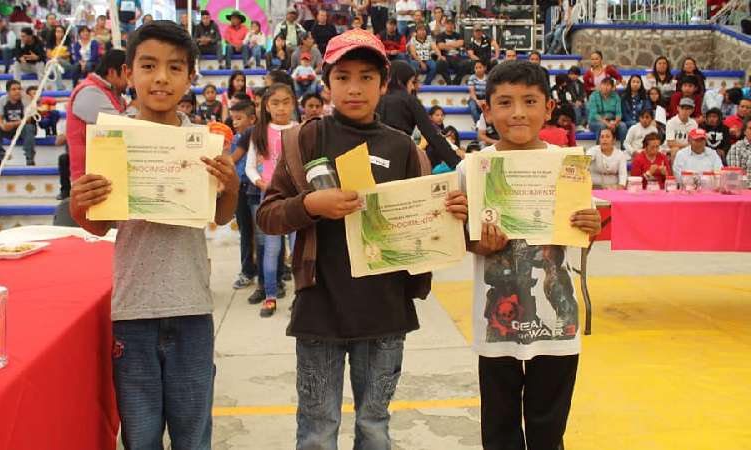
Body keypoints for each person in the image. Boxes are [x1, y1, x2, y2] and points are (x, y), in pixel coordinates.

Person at [257, 28, 467, 448]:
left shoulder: (405, 149)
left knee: (375, 427)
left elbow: (426, 232)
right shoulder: (304, 139)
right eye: (343, 77)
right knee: (317, 430)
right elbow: (267, 216)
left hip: (386, 313)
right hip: (320, 310)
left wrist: (449, 217)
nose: (354, 88)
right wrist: (311, 206)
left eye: (367, 77)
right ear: (326, 81)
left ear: (383, 84)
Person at [68, 20, 239, 450]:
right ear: (129, 73)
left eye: (174, 68)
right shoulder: (112, 140)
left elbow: (220, 215)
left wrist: (230, 185)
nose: (161, 77)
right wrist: (79, 202)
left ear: (189, 77)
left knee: (192, 434)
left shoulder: (200, 142)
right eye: (148, 65)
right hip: (134, 311)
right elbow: (97, 223)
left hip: (191, 307)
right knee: (141, 437)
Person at [455, 60, 601, 450]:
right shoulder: (471, 168)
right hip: (498, 321)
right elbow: (460, 239)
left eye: (530, 101)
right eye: (504, 102)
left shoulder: (570, 165)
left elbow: (586, 233)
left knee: (548, 428)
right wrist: (478, 243)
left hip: (557, 321)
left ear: (549, 108)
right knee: (499, 429)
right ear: (486, 110)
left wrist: (593, 224)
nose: (517, 112)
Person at [244, 83, 299, 316]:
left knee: (298, 249)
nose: (281, 108)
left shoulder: (300, 129)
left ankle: (301, 298)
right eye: (275, 103)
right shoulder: (259, 132)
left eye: (286, 102)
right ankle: (270, 296)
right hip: (271, 199)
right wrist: (262, 183)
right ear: (267, 106)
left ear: (293, 104)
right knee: (271, 249)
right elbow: (250, 167)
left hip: (297, 199)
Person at [377, 60, 461, 168]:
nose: (412, 87)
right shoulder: (409, 100)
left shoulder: (377, 98)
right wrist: (456, 162)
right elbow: (431, 134)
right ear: (401, 80)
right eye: (411, 82)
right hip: (398, 156)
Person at [66, 49, 129, 182]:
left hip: (107, 175)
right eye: (128, 75)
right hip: (89, 181)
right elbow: (122, 128)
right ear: (112, 72)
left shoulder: (115, 95)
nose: (130, 82)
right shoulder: (89, 92)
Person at [228, 100, 258, 289]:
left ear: (252, 119)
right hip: (240, 190)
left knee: (266, 233)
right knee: (245, 232)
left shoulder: (259, 138)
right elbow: (230, 163)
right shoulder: (232, 140)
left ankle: (273, 272)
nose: (235, 123)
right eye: (233, 119)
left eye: (239, 118)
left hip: (257, 188)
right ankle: (247, 271)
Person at [0, 80, 36, 166]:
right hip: (11, 129)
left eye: (19, 89)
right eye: (14, 89)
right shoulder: (1, 100)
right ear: (8, 92)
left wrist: (12, 124)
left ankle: (29, 158)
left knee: (29, 127)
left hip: (24, 128)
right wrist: (3, 126)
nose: (17, 91)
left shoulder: (26, 99)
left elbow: (28, 119)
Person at [588, 77, 627, 147]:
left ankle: (623, 149)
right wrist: (607, 124)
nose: (605, 87)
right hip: (595, 121)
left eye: (608, 85)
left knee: (623, 126)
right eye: (603, 84)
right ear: (600, 86)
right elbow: (594, 114)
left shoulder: (616, 96)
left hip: (612, 121)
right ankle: (599, 149)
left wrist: (615, 122)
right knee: (602, 126)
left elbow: (619, 113)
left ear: (612, 88)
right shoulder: (594, 96)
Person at [435, 19, 469, 85]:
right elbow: (441, 46)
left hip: (456, 57)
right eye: (448, 24)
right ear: (445, 25)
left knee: (466, 64)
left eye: (451, 24)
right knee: (439, 63)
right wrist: (455, 44)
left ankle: (456, 81)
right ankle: (449, 82)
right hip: (445, 57)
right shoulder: (440, 35)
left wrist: (446, 45)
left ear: (454, 26)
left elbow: (461, 43)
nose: (450, 26)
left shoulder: (458, 35)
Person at [46, 25, 72, 90]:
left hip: (66, 65)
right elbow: (48, 55)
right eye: (57, 31)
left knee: (56, 60)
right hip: (53, 65)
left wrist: (58, 57)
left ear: (64, 33)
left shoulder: (68, 42)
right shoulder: (50, 43)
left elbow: (69, 53)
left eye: (61, 32)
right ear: (54, 33)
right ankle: (60, 88)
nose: (59, 33)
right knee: (56, 66)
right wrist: (55, 59)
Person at [468, 60, 487, 124]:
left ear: (485, 68)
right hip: (474, 98)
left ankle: (487, 125)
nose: (478, 70)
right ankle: (479, 125)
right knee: (473, 109)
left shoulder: (488, 78)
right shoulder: (472, 78)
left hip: (485, 98)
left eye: (480, 67)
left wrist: (485, 100)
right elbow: (472, 92)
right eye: (476, 68)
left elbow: (489, 91)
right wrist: (477, 101)